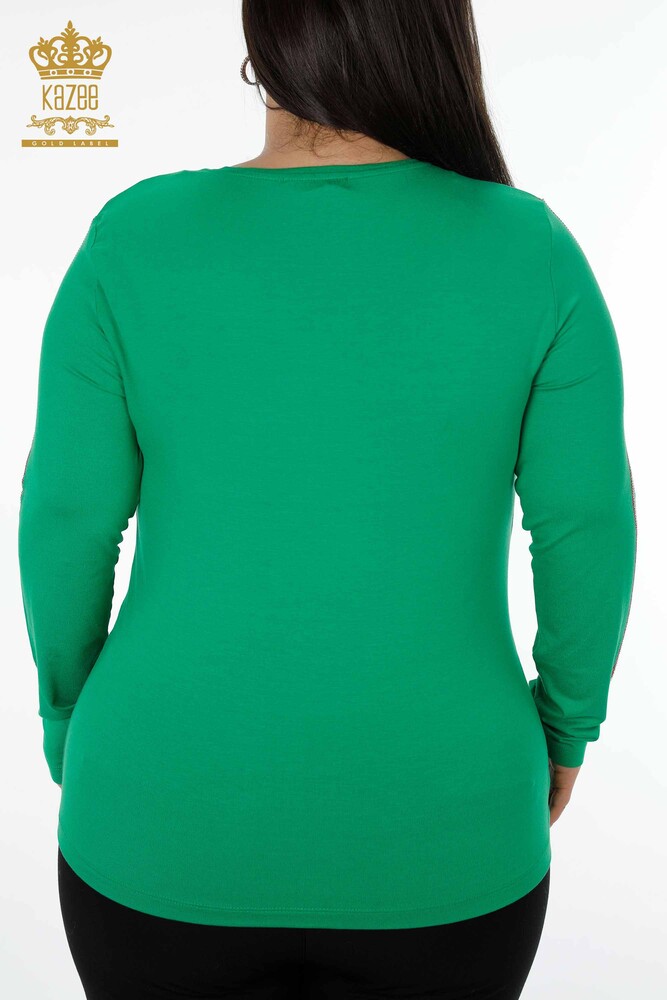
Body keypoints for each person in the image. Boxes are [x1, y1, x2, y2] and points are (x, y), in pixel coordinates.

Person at [18, 1, 637, 997]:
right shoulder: (531, 249)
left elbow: (65, 519)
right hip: (450, 825)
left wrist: (70, 723)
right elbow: (585, 526)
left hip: (157, 805)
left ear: (262, 44)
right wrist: (566, 727)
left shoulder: (134, 238)